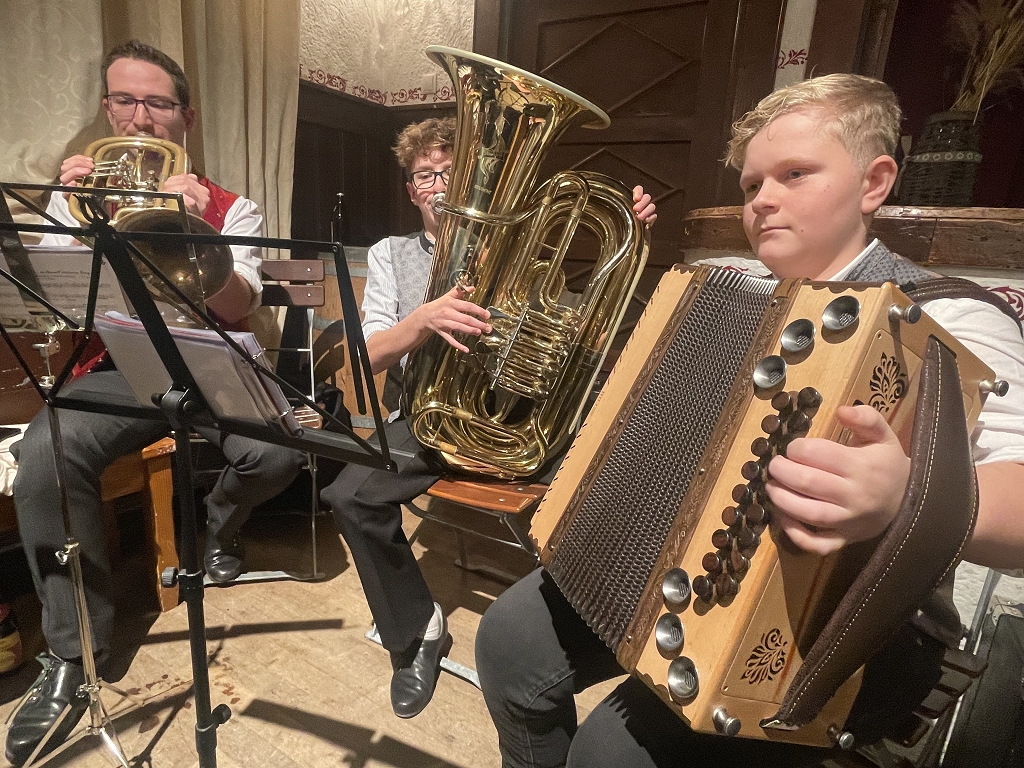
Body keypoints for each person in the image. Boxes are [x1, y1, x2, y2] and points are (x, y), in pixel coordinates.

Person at [474, 73, 1024, 768]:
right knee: (508, 643)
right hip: (676, 564)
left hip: (859, 623)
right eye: (751, 184)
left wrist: (906, 496)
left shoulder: (951, 318)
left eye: (795, 174)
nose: (762, 199)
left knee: (609, 752)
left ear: (874, 182)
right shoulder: (726, 290)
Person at [5, 40, 305, 767]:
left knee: (277, 455)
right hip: (117, 362)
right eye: (125, 100)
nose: (140, 118)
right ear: (107, 108)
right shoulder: (75, 196)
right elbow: (50, 303)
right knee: (45, 453)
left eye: (158, 103)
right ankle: (74, 655)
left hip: (214, 359)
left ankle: (214, 531)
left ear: (185, 117)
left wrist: (193, 228)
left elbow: (238, 304)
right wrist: (64, 217)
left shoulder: (233, 206)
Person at [318, 117, 657, 720]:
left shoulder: (523, 238)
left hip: (520, 417)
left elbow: (574, 326)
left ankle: (588, 626)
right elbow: (367, 355)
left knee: (607, 473)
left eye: (451, 172)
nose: (438, 185)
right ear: (411, 191)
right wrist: (423, 319)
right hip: (433, 416)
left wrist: (629, 238)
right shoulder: (391, 254)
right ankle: (416, 632)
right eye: (425, 175)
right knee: (349, 496)